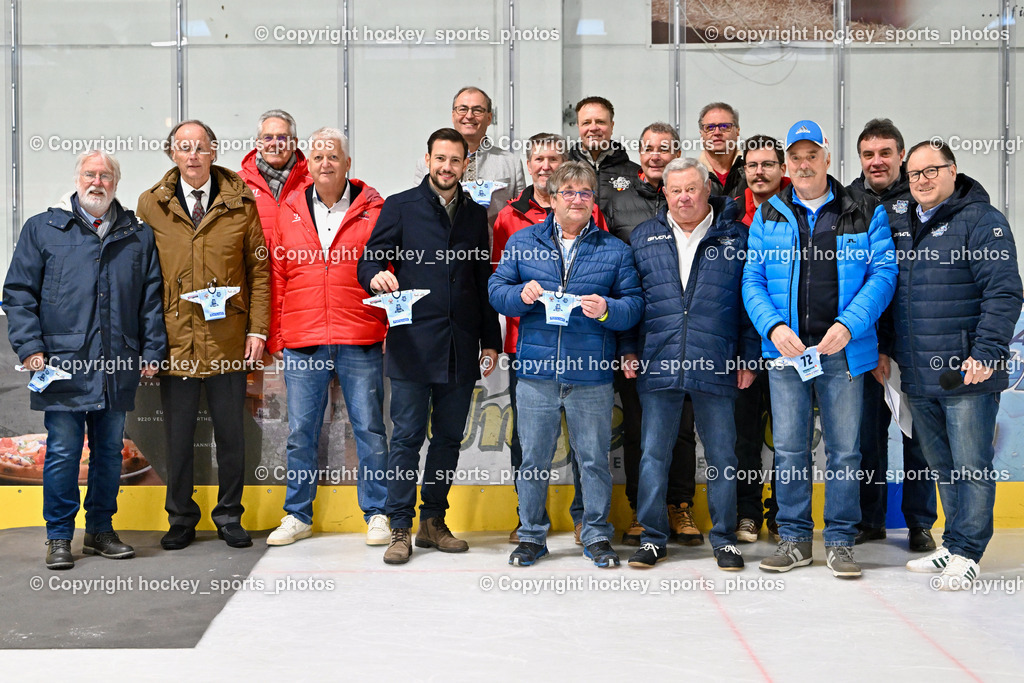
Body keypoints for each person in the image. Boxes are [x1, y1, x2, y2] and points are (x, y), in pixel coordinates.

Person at [742, 120, 896, 578]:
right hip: (786, 355)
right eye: (796, 156)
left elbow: (883, 274)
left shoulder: (863, 208)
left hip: (843, 353)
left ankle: (841, 541)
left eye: (812, 154)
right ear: (787, 164)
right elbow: (752, 280)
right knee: (789, 449)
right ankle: (793, 539)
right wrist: (772, 328)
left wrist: (850, 325)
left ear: (827, 158)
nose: (803, 163)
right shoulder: (768, 213)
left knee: (846, 451)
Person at [3, 151, 166, 569]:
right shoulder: (43, 228)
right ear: (77, 179)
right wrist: (31, 348)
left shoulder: (137, 234)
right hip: (60, 363)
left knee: (110, 450)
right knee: (63, 450)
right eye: (90, 174)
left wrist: (151, 349)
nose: (97, 182)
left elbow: (150, 300)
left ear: (116, 182)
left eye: (105, 175)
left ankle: (100, 531)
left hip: (117, 362)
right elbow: (19, 293)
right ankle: (59, 536)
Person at [489, 161, 643, 568]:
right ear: (552, 199)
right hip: (536, 374)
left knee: (592, 460)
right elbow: (496, 291)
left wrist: (608, 309)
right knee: (533, 461)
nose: (577, 199)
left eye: (585, 193)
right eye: (569, 192)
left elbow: (634, 307)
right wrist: (520, 295)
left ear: (594, 201)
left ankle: (595, 535)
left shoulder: (614, 249)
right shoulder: (522, 243)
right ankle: (532, 536)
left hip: (590, 376)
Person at [358, 127, 501, 565]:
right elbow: (369, 258)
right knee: (406, 439)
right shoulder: (401, 206)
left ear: (465, 165)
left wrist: (491, 341)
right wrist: (375, 277)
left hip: (461, 347)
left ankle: (433, 522)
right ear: (428, 159)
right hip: (411, 345)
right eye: (440, 159)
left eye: (455, 161)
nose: (447, 167)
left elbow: (481, 282)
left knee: (448, 440)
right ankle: (399, 525)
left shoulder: (476, 215)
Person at [888, 141, 1022, 590]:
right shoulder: (902, 220)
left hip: (967, 369)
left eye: (931, 171)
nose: (922, 181)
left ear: (953, 170)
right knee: (942, 465)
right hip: (920, 372)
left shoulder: (982, 221)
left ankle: (969, 551)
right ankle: (952, 543)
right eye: (914, 174)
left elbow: (1004, 293)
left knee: (971, 466)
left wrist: (986, 353)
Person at [137, 119, 270, 551]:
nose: (192, 155)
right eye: (183, 147)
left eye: (200, 146)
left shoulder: (240, 202)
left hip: (229, 339)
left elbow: (260, 271)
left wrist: (257, 329)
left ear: (214, 150)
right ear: (172, 154)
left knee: (232, 436)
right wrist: (147, 338)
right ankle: (181, 518)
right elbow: (140, 277)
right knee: (178, 438)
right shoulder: (150, 204)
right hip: (174, 341)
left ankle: (230, 516)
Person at [624, 157, 759, 570]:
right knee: (653, 454)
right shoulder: (644, 236)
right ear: (664, 192)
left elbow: (749, 301)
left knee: (722, 455)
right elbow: (632, 298)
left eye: (692, 188)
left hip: (716, 359)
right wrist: (629, 349)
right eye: (675, 189)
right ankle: (652, 537)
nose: (684, 197)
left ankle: (724, 538)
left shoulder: (737, 236)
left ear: (706, 189)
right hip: (658, 359)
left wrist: (750, 356)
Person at [265, 127, 390, 547]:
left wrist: (387, 325)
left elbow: (390, 270)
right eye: (317, 157)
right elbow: (279, 276)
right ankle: (297, 515)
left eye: (332, 156)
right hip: (304, 337)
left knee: (370, 429)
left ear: (347, 163)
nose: (324, 163)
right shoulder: (289, 210)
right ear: (309, 163)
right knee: (301, 432)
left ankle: (377, 513)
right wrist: (279, 337)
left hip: (360, 334)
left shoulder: (376, 209)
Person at [492, 132, 605, 545]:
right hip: (531, 350)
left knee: (588, 452)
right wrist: (517, 300)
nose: (546, 165)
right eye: (538, 159)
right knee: (530, 447)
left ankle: (585, 523)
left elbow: (617, 289)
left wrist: (606, 307)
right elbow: (499, 283)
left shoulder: (597, 226)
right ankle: (529, 524)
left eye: (553, 158)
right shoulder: (511, 221)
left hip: (584, 352)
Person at [606, 122, 703, 546]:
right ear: (639, 155)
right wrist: (626, 341)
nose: (656, 156)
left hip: (685, 336)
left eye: (665, 149)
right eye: (649, 149)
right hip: (640, 338)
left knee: (682, 428)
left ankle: (679, 506)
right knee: (639, 429)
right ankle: (641, 512)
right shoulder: (619, 202)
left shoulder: (699, 199)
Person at [847, 118, 937, 552]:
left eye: (885, 153)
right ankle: (870, 520)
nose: (877, 162)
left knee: (919, 439)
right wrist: (876, 345)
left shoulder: (924, 199)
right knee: (867, 439)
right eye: (868, 154)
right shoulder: (848, 204)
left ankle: (920, 524)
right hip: (865, 343)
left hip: (916, 345)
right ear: (859, 158)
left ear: (901, 156)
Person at [731, 134, 789, 543]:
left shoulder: (801, 211)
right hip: (748, 343)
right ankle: (748, 512)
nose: (759, 171)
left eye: (768, 164)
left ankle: (785, 515)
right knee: (745, 437)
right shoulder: (731, 215)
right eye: (752, 165)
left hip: (792, 344)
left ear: (782, 169)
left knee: (789, 437)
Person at [414, 87, 525, 229]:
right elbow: (417, 212)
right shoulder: (426, 165)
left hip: (493, 248)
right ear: (453, 115)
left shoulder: (511, 163)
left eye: (477, 110)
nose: (469, 116)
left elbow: (521, 215)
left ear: (489, 117)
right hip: (441, 247)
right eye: (462, 109)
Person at [238, 109, 310, 244]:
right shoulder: (237, 184)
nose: (274, 143)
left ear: (294, 143)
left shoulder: (313, 185)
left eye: (282, 137)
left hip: (296, 264)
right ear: (258, 143)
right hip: (254, 265)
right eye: (268, 137)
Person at [568, 96, 641, 217]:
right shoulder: (561, 173)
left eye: (600, 122)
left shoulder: (636, 175)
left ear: (612, 126)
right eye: (586, 123)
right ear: (578, 127)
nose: (593, 128)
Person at [696, 102, 746, 197]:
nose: (717, 132)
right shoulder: (691, 175)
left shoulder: (751, 172)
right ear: (701, 134)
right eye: (710, 128)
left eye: (725, 127)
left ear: (737, 132)